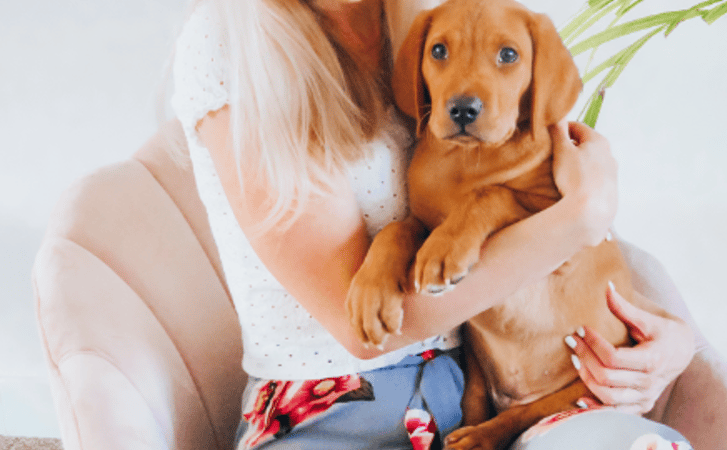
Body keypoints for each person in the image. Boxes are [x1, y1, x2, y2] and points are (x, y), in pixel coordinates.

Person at [169, 0, 695, 448]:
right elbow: (364, 330)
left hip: (479, 388)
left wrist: (671, 339)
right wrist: (584, 215)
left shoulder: (434, 20)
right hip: (337, 413)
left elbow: (556, 236)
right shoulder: (234, 43)